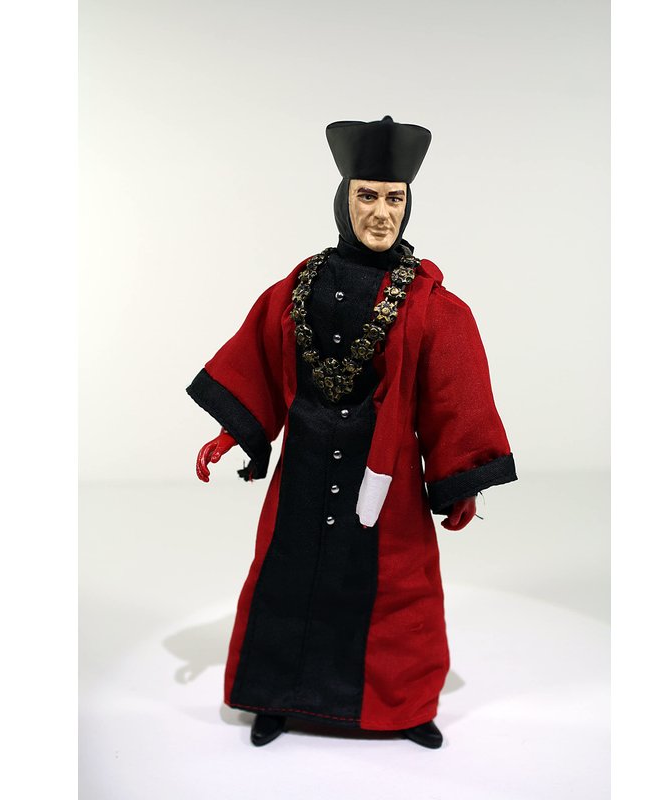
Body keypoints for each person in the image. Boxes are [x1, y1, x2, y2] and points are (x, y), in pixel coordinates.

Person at [186, 116, 517, 748]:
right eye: (368, 195)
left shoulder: (428, 301)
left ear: (408, 204)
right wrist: (236, 430)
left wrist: (462, 479)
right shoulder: (300, 284)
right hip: (306, 469)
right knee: (286, 577)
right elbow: (262, 355)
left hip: (384, 477)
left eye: (394, 198)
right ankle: (275, 698)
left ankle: (403, 706)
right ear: (345, 199)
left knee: (396, 590)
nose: (381, 213)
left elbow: (454, 390)